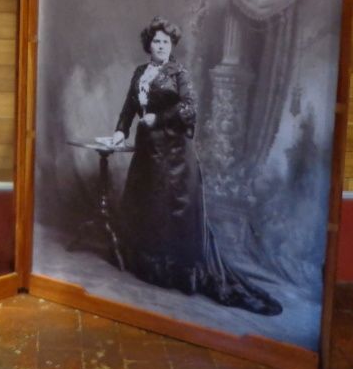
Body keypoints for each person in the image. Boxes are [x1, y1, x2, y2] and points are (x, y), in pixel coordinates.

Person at [110, 16, 282, 316]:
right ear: (149, 45)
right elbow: (129, 107)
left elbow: (189, 108)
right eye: (156, 41)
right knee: (148, 205)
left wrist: (158, 118)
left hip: (174, 152)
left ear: (171, 45)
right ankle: (149, 269)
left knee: (172, 209)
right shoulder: (140, 72)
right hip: (147, 151)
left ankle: (175, 274)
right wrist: (120, 131)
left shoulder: (179, 73)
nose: (160, 46)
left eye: (165, 42)